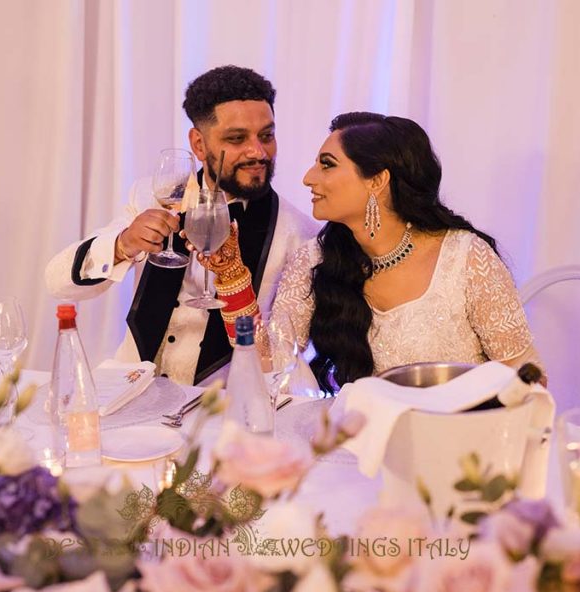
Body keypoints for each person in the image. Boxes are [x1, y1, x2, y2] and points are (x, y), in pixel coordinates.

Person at [208, 112, 543, 394]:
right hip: (363, 453)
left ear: (377, 181)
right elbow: (271, 365)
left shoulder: (465, 258)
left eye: (327, 165)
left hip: (460, 445)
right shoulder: (314, 260)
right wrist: (230, 274)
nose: (308, 178)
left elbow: (526, 377)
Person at [45, 65, 317, 385]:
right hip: (132, 388)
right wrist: (122, 245)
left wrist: (234, 283)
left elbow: (284, 364)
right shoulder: (153, 195)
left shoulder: (300, 234)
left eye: (267, 136)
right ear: (198, 144)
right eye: (237, 138)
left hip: (222, 404)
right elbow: (58, 282)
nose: (258, 152)